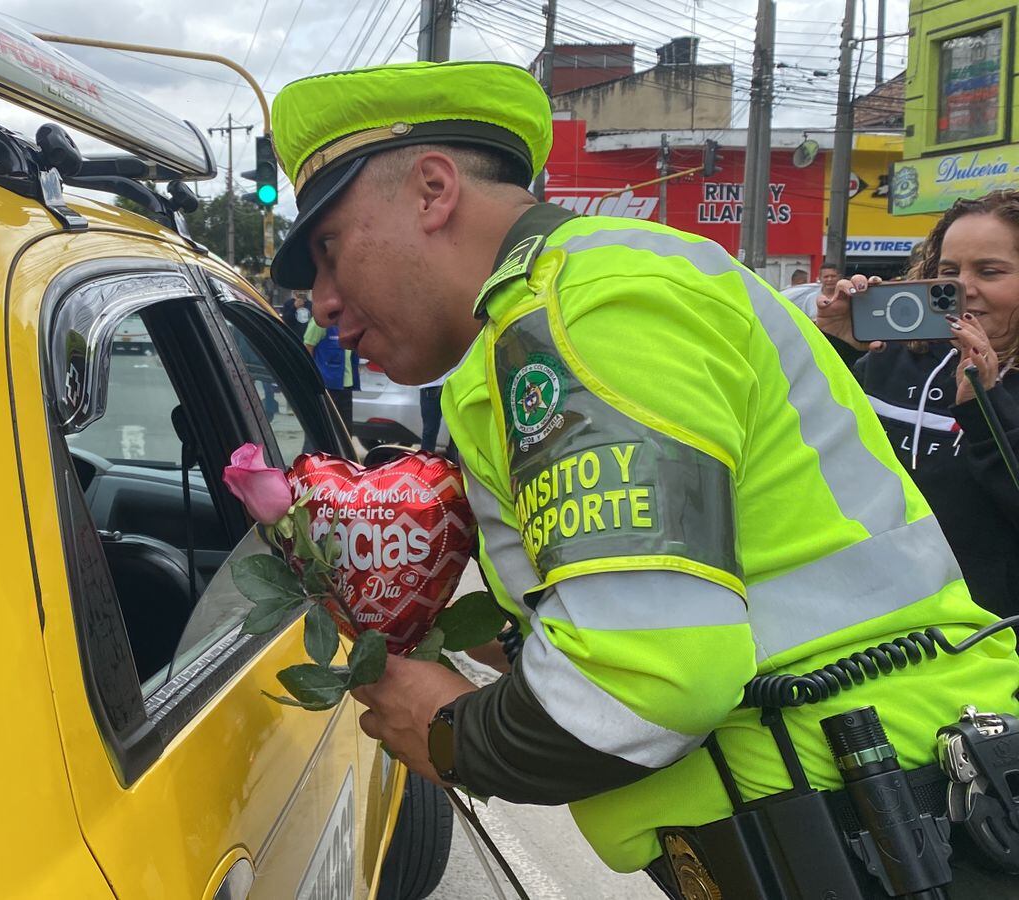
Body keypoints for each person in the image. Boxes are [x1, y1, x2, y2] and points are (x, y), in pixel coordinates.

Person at [266, 60, 1019, 897]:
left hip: (886, 832)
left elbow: (647, 682)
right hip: (888, 813)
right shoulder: (598, 288)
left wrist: (447, 731)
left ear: (433, 189)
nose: (323, 301)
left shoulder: (581, 313)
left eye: (329, 251)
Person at [815, 189, 1019, 618]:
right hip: (879, 620)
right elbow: (811, 449)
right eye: (949, 270)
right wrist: (837, 347)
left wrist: (986, 406)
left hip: (993, 637)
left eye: (989, 271)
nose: (962, 288)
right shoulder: (892, 357)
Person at [303, 317, 358, 426]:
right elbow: (308, 347)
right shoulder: (321, 322)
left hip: (346, 385)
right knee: (324, 428)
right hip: (326, 386)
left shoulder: (349, 322)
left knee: (344, 429)